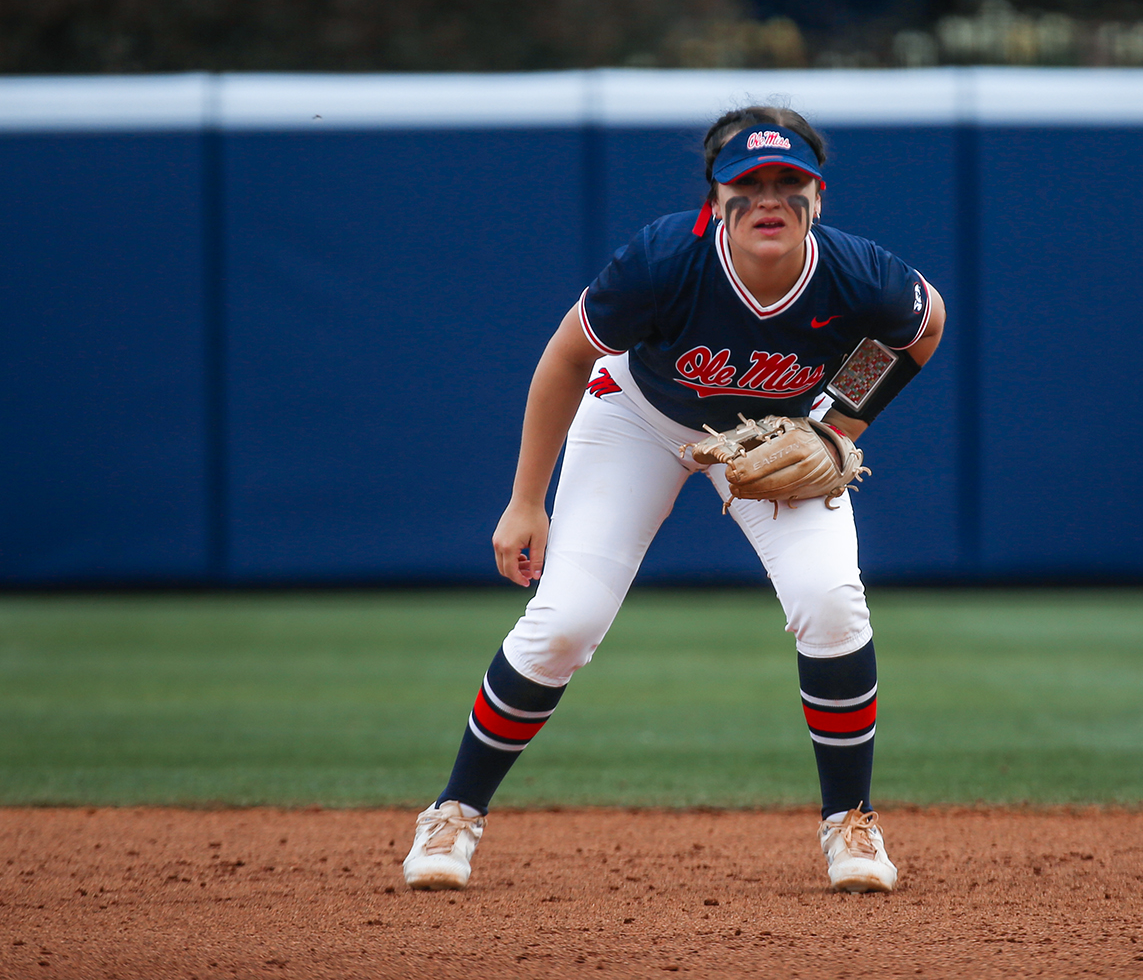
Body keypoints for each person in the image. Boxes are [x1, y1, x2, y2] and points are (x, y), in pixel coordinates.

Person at [401, 105, 946, 894]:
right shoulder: (664, 259)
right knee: (567, 621)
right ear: (714, 200)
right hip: (638, 418)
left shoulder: (856, 273)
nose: (769, 198)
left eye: (789, 181)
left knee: (831, 602)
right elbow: (562, 360)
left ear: (818, 198)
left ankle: (850, 822)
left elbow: (922, 330)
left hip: (769, 437)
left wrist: (833, 426)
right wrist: (527, 501)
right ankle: (453, 812)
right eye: (746, 183)